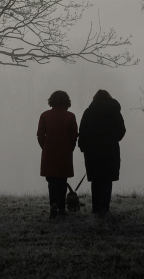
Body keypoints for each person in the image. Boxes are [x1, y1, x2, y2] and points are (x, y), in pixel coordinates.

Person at [78, 89, 126, 216]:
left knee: (95, 179)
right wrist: (113, 139)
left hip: (92, 150)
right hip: (110, 149)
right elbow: (121, 131)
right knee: (107, 179)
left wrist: (83, 147)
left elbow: (82, 131)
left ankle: (95, 208)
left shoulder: (88, 112)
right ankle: (104, 208)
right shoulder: (114, 111)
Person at [37, 90, 78, 219]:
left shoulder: (45, 115)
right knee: (62, 180)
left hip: (49, 153)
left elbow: (40, 135)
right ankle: (61, 207)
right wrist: (69, 148)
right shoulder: (70, 116)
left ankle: (53, 204)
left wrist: (46, 146)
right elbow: (74, 136)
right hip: (64, 153)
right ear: (67, 101)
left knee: (51, 180)